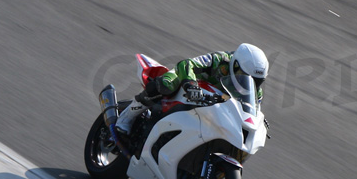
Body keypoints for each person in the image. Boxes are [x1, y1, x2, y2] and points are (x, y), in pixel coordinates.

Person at [115, 43, 269, 138]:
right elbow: (188, 64)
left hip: (215, 103)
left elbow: (252, 111)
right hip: (190, 85)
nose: (252, 83)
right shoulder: (220, 60)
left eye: (257, 81)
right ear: (235, 65)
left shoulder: (256, 92)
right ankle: (127, 116)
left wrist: (258, 121)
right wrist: (190, 84)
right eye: (247, 76)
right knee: (166, 85)